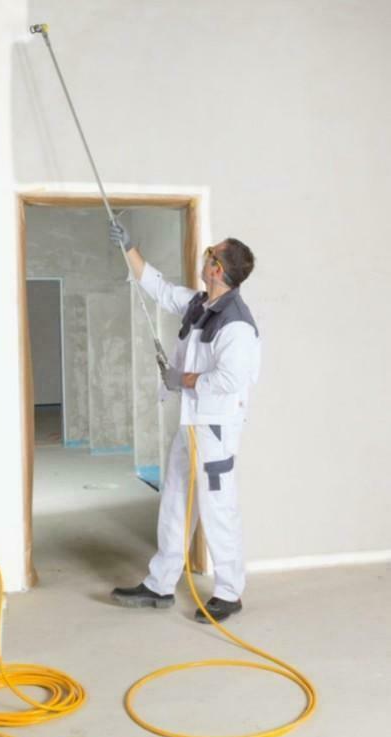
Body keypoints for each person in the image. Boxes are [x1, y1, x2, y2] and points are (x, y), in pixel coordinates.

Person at [108, 220, 260, 623]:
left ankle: (229, 593)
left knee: (218, 508)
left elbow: (230, 380)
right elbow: (158, 288)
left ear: (217, 269)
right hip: (191, 423)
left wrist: (184, 379)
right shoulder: (200, 304)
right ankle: (160, 584)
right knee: (175, 500)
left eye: (210, 253)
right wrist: (129, 247)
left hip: (215, 430)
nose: (204, 256)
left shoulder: (237, 323)